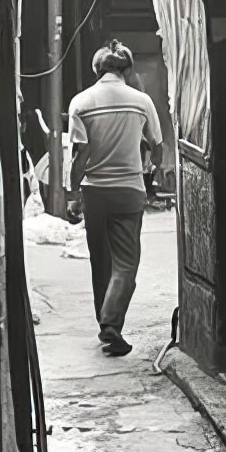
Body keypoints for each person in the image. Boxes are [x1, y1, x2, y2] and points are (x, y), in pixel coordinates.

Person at [68, 41, 163, 356]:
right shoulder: (141, 100)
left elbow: (80, 152)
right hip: (128, 192)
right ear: (127, 69)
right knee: (126, 263)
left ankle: (105, 322)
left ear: (97, 70)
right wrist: (151, 167)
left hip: (94, 191)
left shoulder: (80, 102)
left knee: (101, 261)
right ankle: (111, 324)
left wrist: (72, 189)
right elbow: (157, 144)